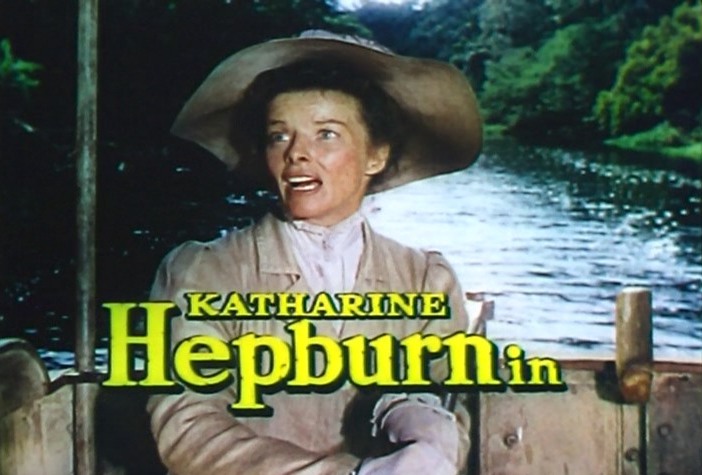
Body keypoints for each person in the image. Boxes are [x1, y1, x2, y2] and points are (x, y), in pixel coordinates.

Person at [147, 31, 482, 475]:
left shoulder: (427, 279)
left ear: (376, 156)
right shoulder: (203, 271)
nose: (297, 154)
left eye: (326, 134)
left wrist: (421, 421)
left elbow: (453, 402)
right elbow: (187, 424)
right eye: (279, 136)